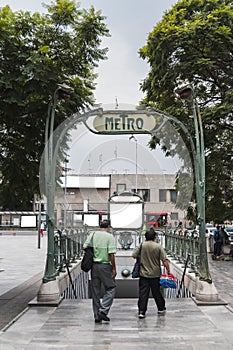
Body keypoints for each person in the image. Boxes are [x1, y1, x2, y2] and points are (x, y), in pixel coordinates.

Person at [83, 219, 117, 323]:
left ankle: (97, 315)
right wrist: (114, 268)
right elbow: (111, 254)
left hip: (94, 266)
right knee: (111, 288)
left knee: (95, 291)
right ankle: (103, 311)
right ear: (109, 227)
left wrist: (93, 253)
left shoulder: (93, 234)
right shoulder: (110, 237)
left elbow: (84, 247)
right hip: (104, 266)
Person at [132, 228, 170, 318]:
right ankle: (160, 307)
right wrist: (168, 270)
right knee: (156, 292)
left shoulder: (141, 245)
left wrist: (141, 258)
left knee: (143, 293)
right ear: (155, 237)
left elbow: (133, 255)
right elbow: (164, 260)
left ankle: (142, 311)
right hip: (155, 274)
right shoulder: (158, 246)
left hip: (143, 273)